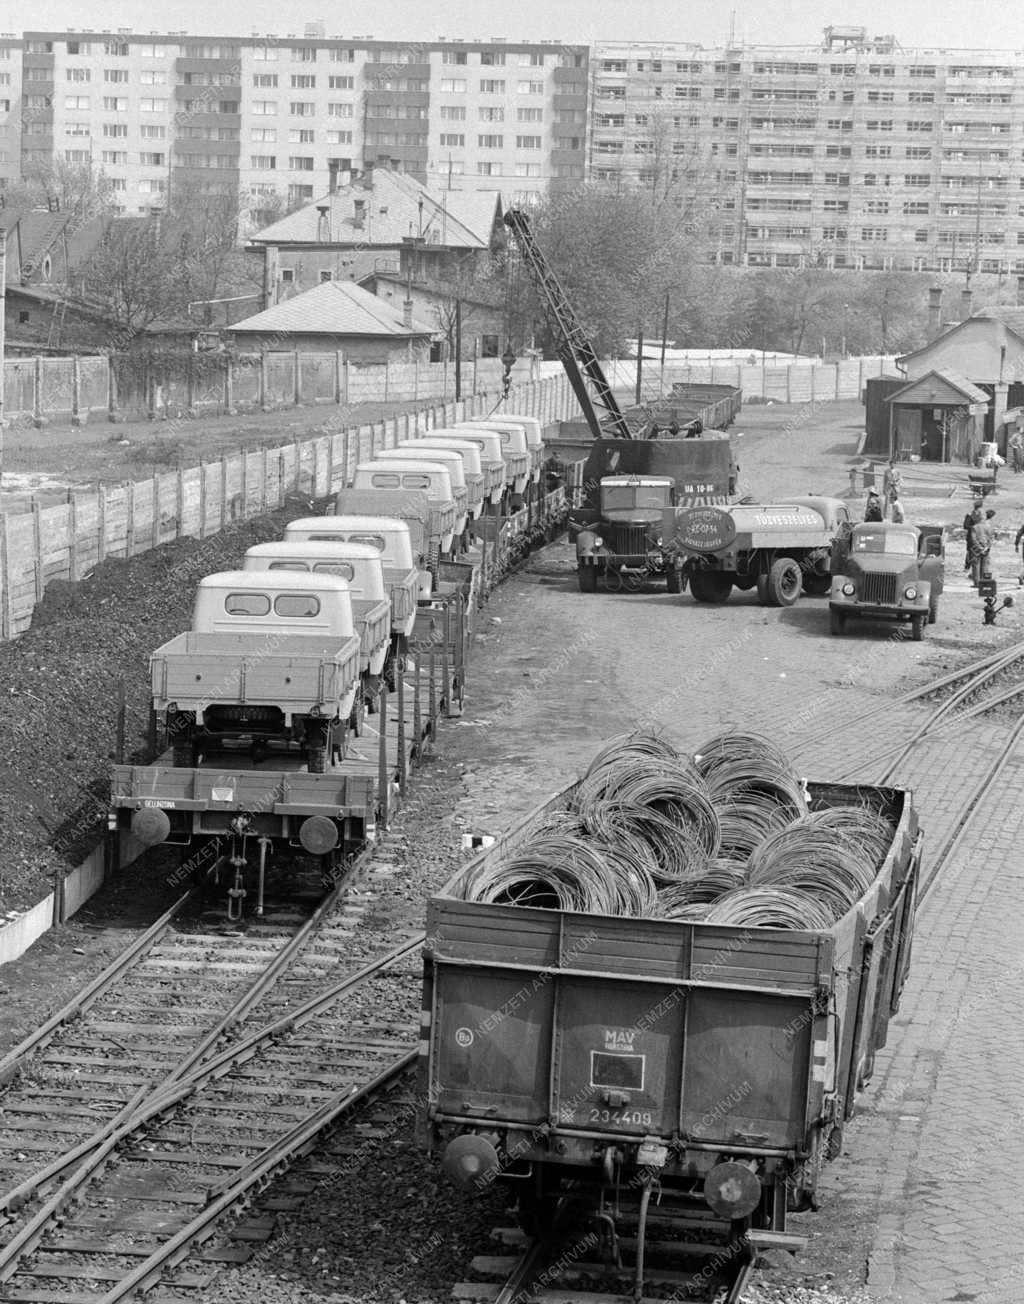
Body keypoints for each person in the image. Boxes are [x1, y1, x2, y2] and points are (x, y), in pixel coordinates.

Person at [970, 508, 996, 587]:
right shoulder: (989, 527)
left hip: (976, 549)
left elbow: (973, 539)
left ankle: (977, 583)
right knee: (985, 566)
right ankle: (984, 582)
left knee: (976, 566)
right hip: (986, 548)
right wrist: (987, 547)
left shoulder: (975, 527)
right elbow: (991, 538)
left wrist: (980, 548)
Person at [963, 498, 984, 572]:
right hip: (971, 536)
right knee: (970, 552)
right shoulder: (970, 515)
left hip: (979, 537)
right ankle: (967, 567)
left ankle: (976, 568)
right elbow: (965, 526)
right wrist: (974, 527)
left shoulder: (981, 516)